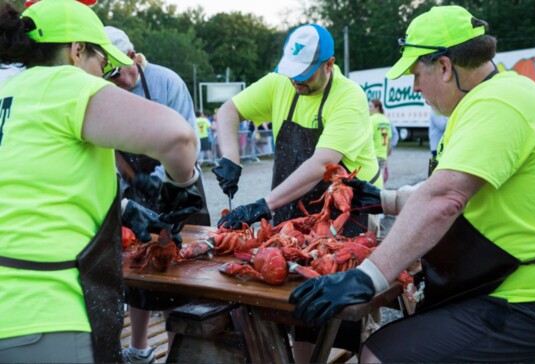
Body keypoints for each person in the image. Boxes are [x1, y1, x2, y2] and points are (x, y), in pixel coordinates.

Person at [289, 5, 535, 363]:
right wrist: (385, 198)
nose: (414, 86)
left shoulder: (499, 102)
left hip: (523, 296)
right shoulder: (487, 100)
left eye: (416, 73)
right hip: (496, 281)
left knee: (379, 354)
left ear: (444, 67)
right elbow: (450, 189)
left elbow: (445, 197)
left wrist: (368, 277)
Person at [0, 0, 202, 362]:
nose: (105, 75)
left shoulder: (9, 93)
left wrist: (123, 207)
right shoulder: (66, 83)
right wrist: (179, 184)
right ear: (77, 51)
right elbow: (179, 138)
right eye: (102, 63)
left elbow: (31, 185)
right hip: (47, 312)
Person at [213, 24, 382, 360]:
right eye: (292, 72)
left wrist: (263, 203)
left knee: (350, 314)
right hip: (291, 209)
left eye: (305, 74)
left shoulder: (349, 97)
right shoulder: (281, 83)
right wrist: (230, 159)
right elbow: (228, 111)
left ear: (329, 64)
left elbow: (322, 164)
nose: (296, 81)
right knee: (299, 307)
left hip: (347, 213)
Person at [104, 25, 209, 363]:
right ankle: (138, 348)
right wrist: (129, 182)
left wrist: (163, 178)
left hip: (181, 185)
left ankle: (182, 349)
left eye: (120, 72)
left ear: (134, 56)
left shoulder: (167, 82)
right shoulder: (105, 93)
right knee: (139, 273)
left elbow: (188, 141)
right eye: (110, 76)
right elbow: (107, 146)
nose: (117, 82)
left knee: (184, 271)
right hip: (138, 190)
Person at [368, 98, 392, 185]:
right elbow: (389, 138)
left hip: (373, 154)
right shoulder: (386, 120)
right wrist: (387, 151)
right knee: (381, 178)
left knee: (372, 179)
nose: (368, 109)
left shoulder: (371, 119)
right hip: (383, 154)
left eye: (370, 106)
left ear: (377, 108)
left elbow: (369, 136)